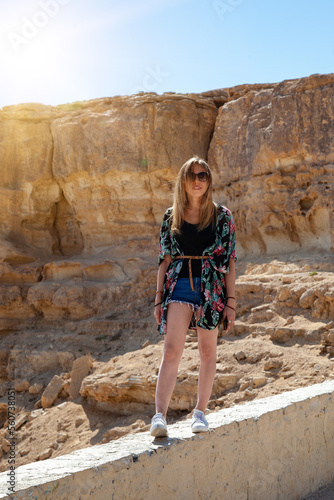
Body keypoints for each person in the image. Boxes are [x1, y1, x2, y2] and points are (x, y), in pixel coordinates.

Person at [150, 156, 237, 437]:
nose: (197, 181)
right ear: (183, 181)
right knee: (172, 351)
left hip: (212, 288)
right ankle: (159, 417)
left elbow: (230, 261)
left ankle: (199, 413)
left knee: (207, 352)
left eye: (203, 176)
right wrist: (158, 298)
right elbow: (163, 260)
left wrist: (231, 303)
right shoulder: (170, 215)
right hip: (180, 284)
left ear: (209, 181)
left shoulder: (223, 216)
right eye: (192, 175)